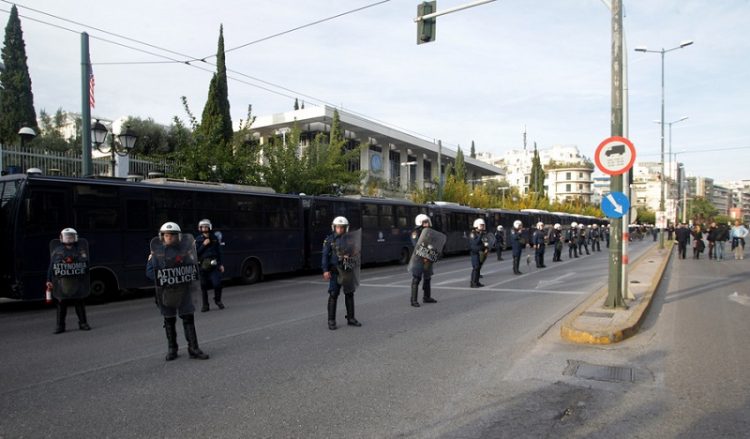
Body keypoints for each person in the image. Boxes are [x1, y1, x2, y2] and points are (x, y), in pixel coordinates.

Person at [146, 222, 209, 361]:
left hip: (184, 291)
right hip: (166, 292)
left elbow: (193, 269)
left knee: (188, 318)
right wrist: (164, 276)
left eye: (172, 235)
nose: (169, 238)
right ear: (162, 237)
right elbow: (150, 273)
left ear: (178, 237)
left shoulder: (185, 251)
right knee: (169, 320)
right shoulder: (156, 253)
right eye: (166, 235)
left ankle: (193, 348)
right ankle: (172, 349)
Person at [47, 228, 91, 334]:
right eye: (67, 236)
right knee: (61, 304)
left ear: (75, 237)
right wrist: (48, 279)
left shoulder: (80, 250)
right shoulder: (57, 251)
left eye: (71, 236)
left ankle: (83, 323)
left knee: (79, 302)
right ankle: (60, 326)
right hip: (62, 282)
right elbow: (52, 266)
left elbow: (85, 264)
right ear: (61, 238)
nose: (69, 238)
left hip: (77, 280)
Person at [322, 216, 362, 329]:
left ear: (346, 228)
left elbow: (356, 253)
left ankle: (351, 318)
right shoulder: (329, 240)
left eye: (342, 227)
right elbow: (325, 256)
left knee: (349, 293)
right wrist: (325, 270)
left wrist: (353, 254)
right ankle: (331, 320)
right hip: (335, 271)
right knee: (333, 294)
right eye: (338, 227)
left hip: (347, 269)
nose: (340, 229)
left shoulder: (350, 240)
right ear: (334, 227)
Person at [195, 219, 225, 312]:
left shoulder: (214, 238)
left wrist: (221, 264)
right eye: (202, 227)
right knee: (203, 285)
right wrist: (203, 245)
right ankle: (205, 305)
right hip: (202, 265)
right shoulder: (198, 239)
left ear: (209, 227)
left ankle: (217, 300)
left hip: (214, 264)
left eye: (206, 226)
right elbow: (196, 253)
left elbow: (219, 252)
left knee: (217, 284)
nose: (204, 228)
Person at [409, 214, 438, 307]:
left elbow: (434, 244)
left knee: (427, 277)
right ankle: (413, 300)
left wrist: (434, 252)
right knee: (416, 279)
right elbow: (417, 246)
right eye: (425, 222)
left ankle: (427, 297)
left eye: (427, 222)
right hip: (418, 259)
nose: (427, 224)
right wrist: (425, 255)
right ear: (419, 223)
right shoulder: (415, 233)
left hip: (428, 258)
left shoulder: (429, 232)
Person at [469, 218, 489, 288]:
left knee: (479, 268)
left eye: (483, 225)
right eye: (481, 225)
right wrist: (480, 235)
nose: (483, 227)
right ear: (477, 225)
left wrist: (486, 248)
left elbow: (485, 242)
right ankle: (473, 283)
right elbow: (475, 242)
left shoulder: (482, 233)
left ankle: (477, 282)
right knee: (476, 268)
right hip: (475, 253)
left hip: (481, 253)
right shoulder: (473, 233)